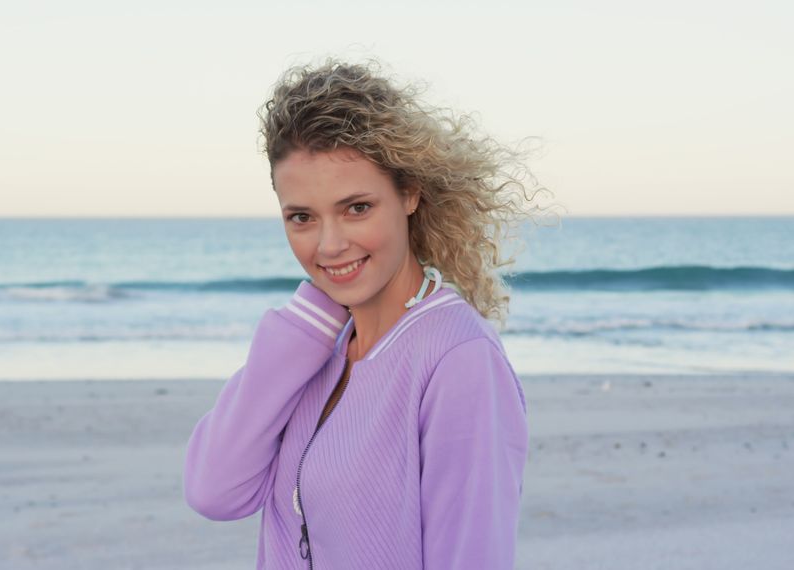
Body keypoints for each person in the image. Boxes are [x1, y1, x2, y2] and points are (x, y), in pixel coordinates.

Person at [184, 57, 550, 569]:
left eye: (356, 208)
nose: (330, 245)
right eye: (302, 218)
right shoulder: (318, 348)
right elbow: (215, 491)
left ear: (408, 193)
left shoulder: (458, 358)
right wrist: (307, 323)